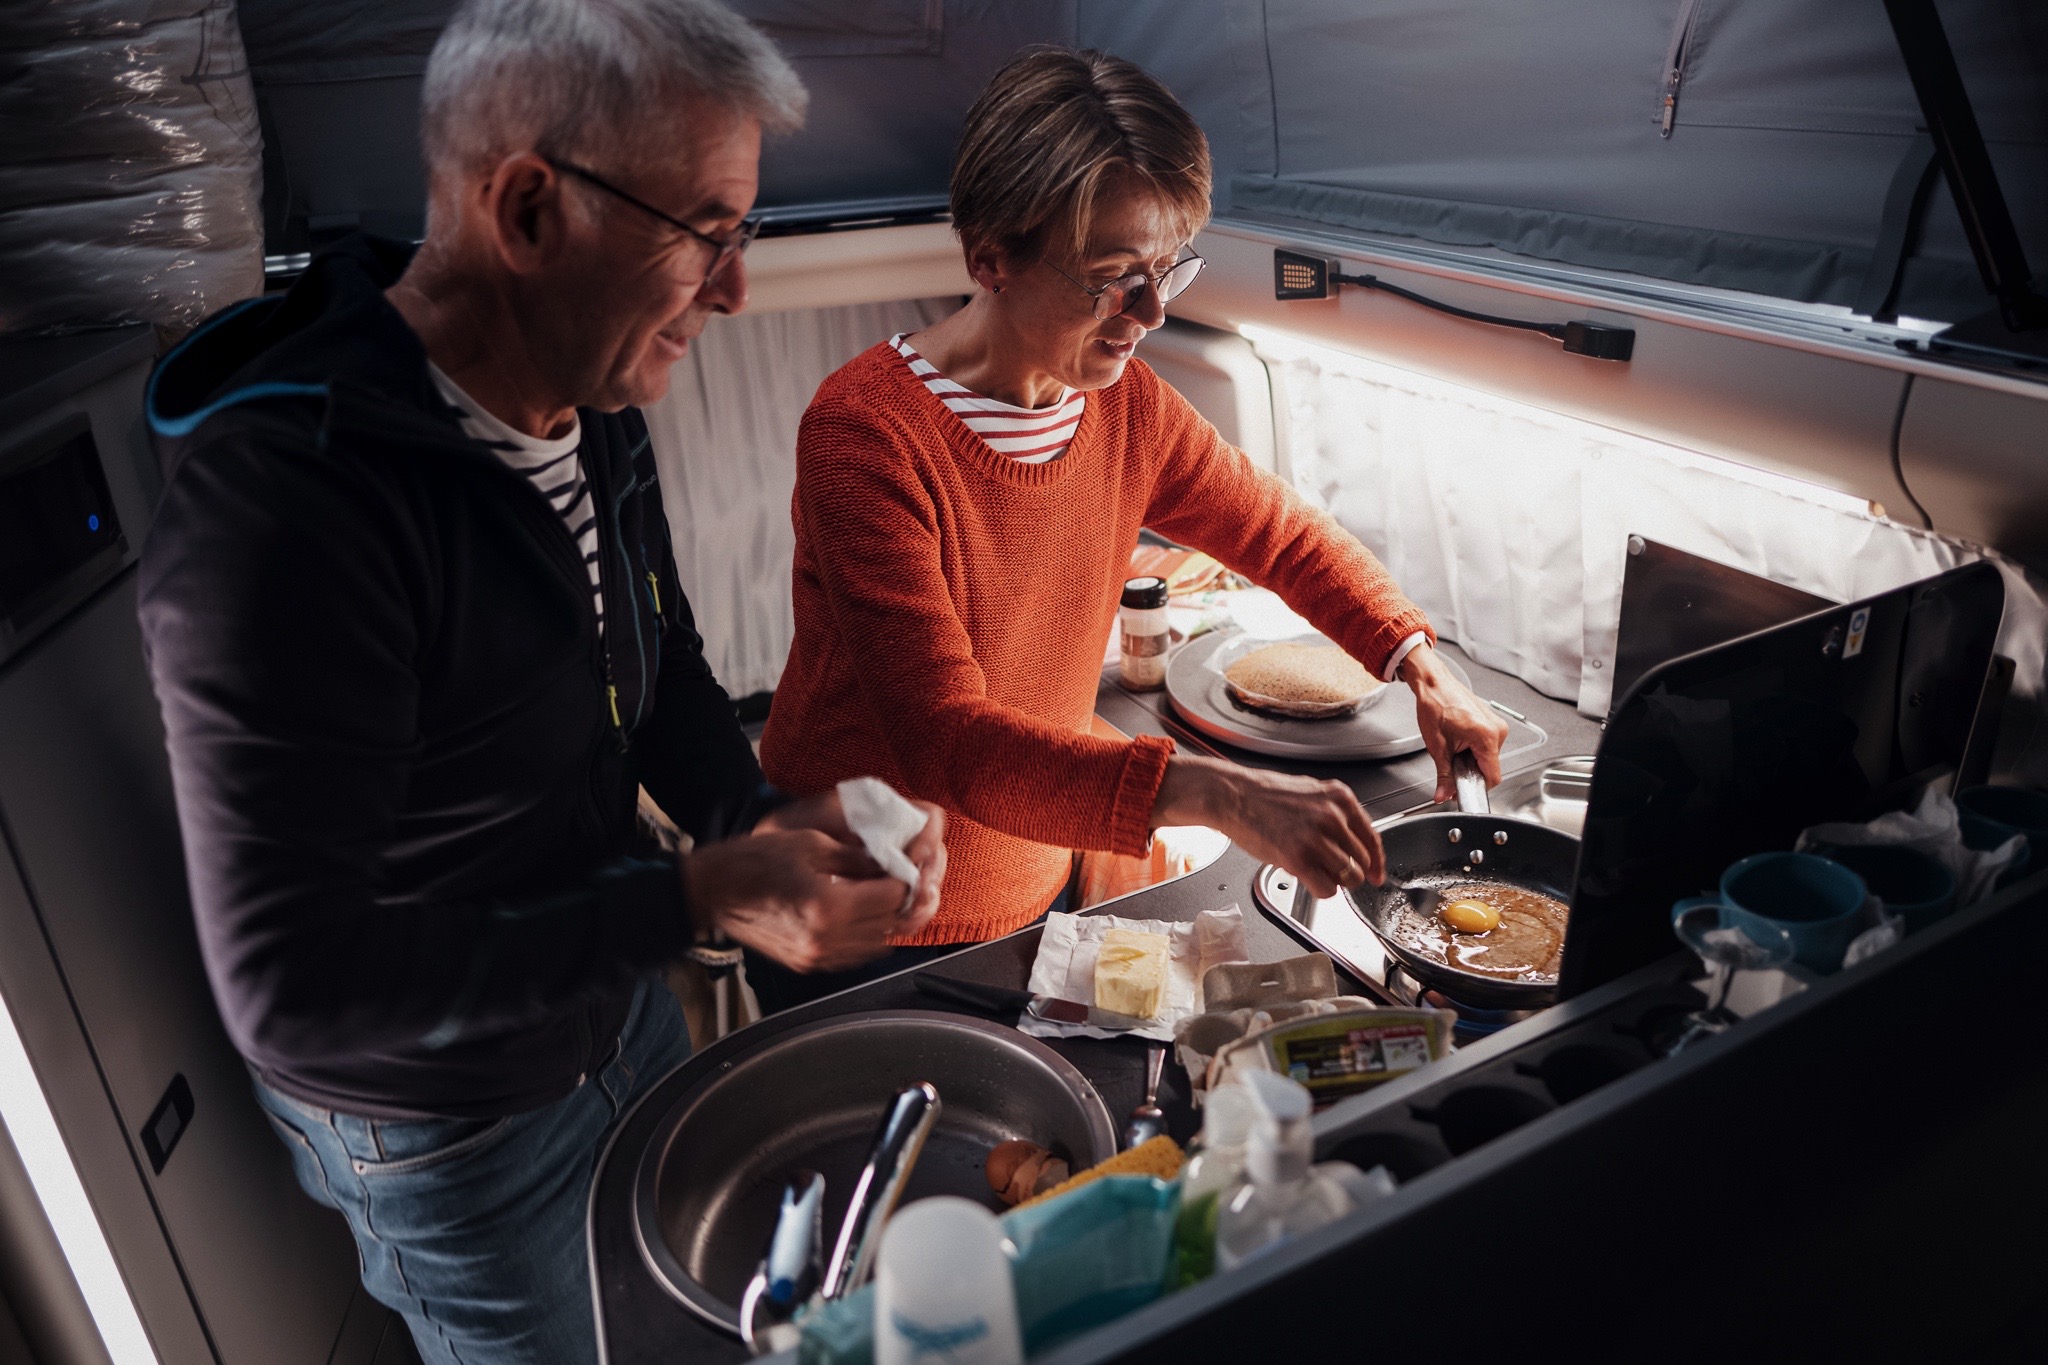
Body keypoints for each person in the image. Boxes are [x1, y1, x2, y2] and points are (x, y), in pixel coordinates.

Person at [137, 2, 943, 1361]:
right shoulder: (287, 516)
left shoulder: (589, 401)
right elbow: (293, 983)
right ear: (526, 209)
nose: (736, 287)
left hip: (609, 1005)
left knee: (678, 1322)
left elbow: (660, 653)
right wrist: (694, 896)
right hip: (446, 1115)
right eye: (709, 231)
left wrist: (746, 816)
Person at [755, 47, 1507, 1011]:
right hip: (863, 912)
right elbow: (955, 744)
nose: (1150, 314)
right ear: (991, 258)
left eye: (1167, 271)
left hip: (1036, 876)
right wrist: (1223, 794)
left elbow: (1280, 531)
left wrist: (1417, 660)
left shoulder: (1126, 409)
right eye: (1113, 277)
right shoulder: (865, 435)